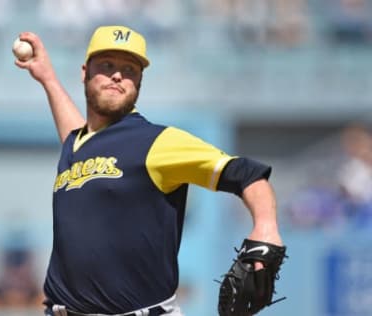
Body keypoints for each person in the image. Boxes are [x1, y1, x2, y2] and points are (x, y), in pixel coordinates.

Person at [15, 25, 284, 316]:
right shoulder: (77, 145)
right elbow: (75, 133)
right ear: (85, 72)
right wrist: (48, 78)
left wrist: (266, 225)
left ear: (139, 81)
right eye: (106, 65)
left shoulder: (157, 142)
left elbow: (246, 174)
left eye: (129, 69)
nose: (118, 74)